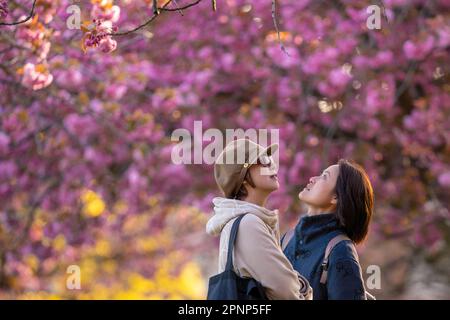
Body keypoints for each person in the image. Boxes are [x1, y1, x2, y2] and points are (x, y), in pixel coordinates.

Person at [206, 138, 312, 300]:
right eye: (262, 160)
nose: (271, 164)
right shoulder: (248, 224)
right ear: (243, 177)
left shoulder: (243, 221)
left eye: (269, 159)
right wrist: (305, 291)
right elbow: (286, 291)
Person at [282, 159, 374, 300]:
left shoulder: (340, 250)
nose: (312, 179)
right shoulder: (287, 239)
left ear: (336, 197)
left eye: (324, 176)